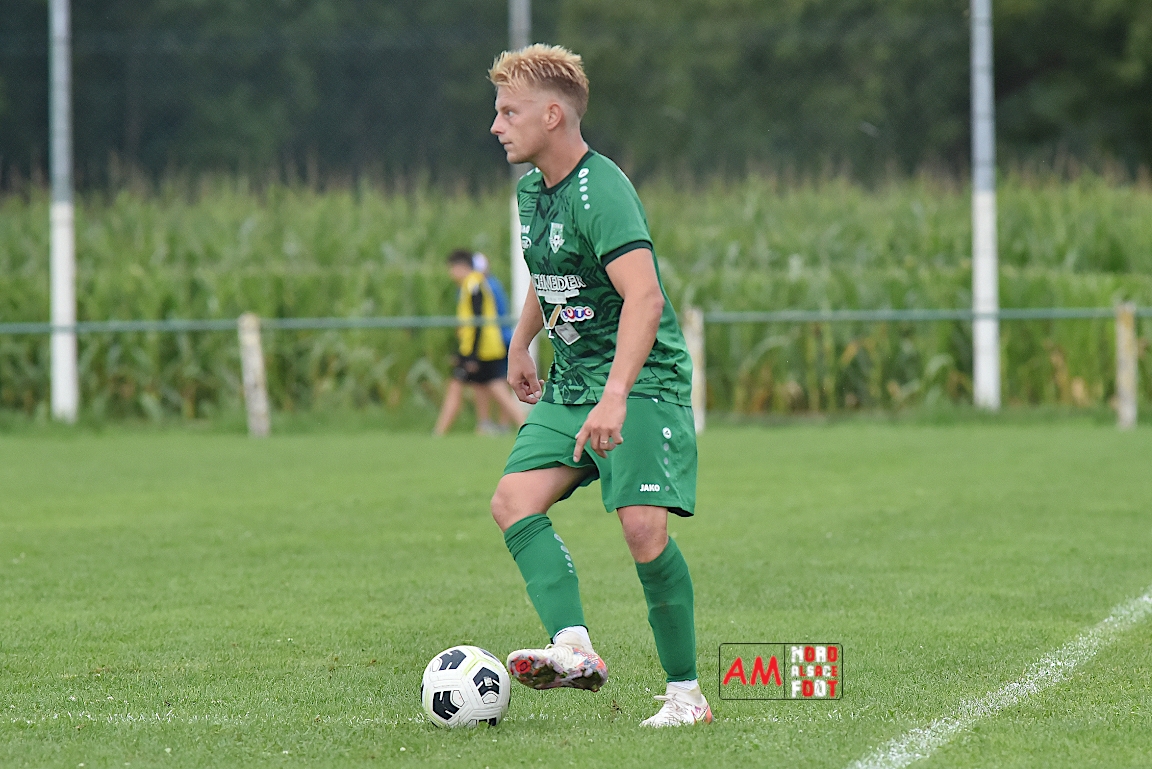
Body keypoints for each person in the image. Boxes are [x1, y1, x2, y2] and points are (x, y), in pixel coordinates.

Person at [487, 44, 709, 727]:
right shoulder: (532, 192)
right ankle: (573, 646)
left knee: (642, 530)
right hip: (573, 381)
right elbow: (552, 272)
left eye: (509, 111)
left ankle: (687, 695)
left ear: (553, 116)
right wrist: (521, 341)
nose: (496, 125)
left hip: (639, 382)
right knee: (513, 501)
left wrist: (615, 396)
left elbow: (644, 297)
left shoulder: (601, 188)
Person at [433, 250, 525, 436]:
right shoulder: (474, 284)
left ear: (461, 267)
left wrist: (471, 355)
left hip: (482, 348)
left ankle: (439, 433)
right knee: (493, 387)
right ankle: (515, 424)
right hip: (484, 347)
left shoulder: (473, 284)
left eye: (452, 268)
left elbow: (478, 320)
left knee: (461, 387)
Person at [470, 252, 516, 434]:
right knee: (497, 381)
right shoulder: (494, 284)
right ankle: (497, 423)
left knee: (495, 382)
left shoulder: (480, 286)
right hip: (502, 338)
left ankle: (502, 422)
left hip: (493, 341)